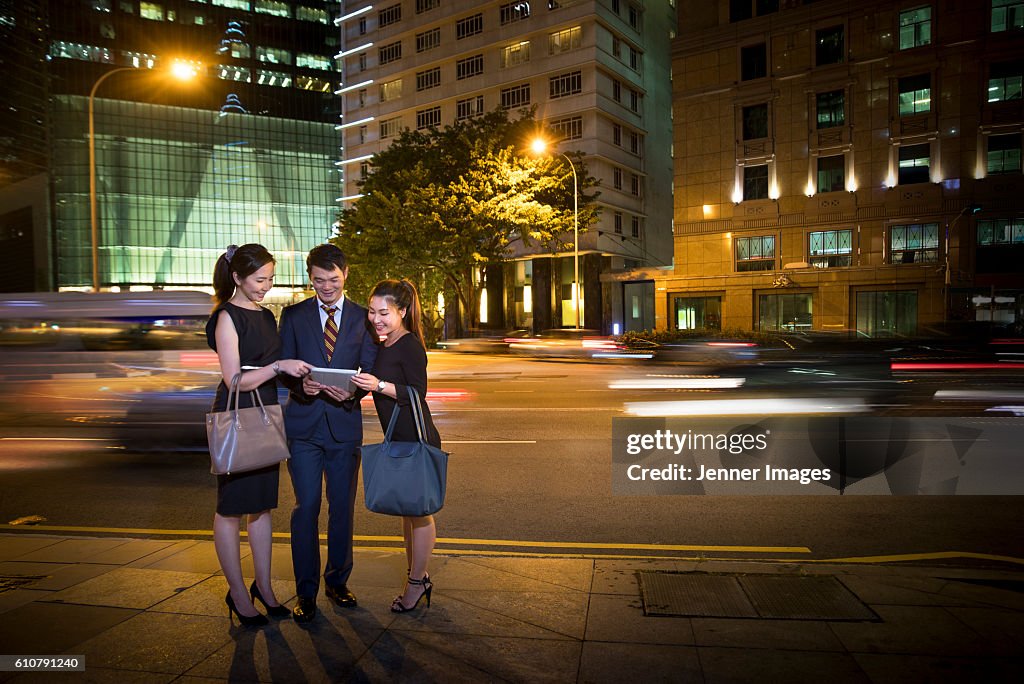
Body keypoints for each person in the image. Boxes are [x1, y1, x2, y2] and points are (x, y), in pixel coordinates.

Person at [207, 243, 312, 627]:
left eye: (270, 278)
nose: (266, 286)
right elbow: (233, 378)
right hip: (237, 414)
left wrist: (303, 377)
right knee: (231, 508)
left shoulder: (267, 316)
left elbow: (275, 369)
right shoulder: (225, 318)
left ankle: (264, 589)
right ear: (237, 277)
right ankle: (238, 593)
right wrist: (278, 367)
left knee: (263, 506)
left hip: (266, 413)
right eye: (259, 279)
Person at [278, 244, 379, 623]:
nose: (326, 287)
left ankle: (337, 582)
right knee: (306, 509)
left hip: (343, 424)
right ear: (310, 278)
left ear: (346, 274)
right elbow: (283, 366)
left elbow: (368, 366)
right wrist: (300, 386)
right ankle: (306, 592)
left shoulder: (361, 318)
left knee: (342, 510)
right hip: (303, 427)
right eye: (318, 281)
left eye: (333, 280)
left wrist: (353, 390)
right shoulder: (293, 316)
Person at [352, 279, 442, 613]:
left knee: (420, 513)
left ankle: (417, 584)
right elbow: (372, 385)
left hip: (417, 437)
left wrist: (380, 385)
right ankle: (416, 576)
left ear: (402, 311)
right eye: (372, 312)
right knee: (408, 513)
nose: (376, 318)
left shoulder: (408, 345)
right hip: (398, 437)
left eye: (384, 313)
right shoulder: (384, 344)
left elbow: (417, 393)